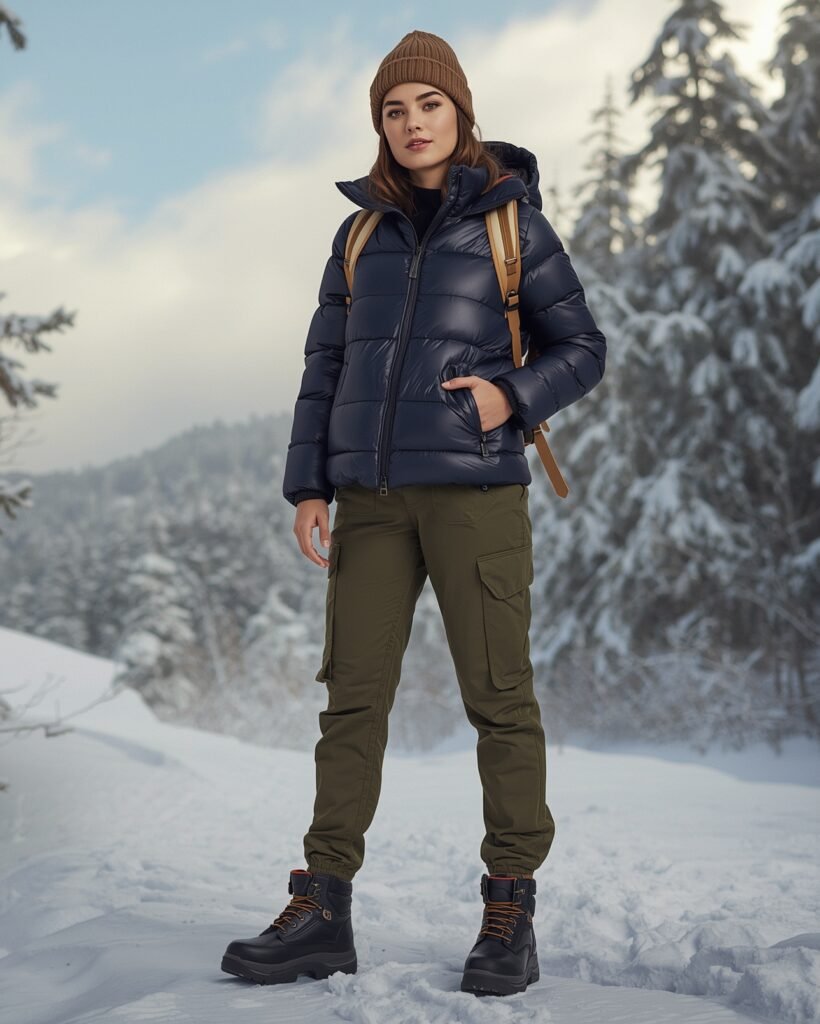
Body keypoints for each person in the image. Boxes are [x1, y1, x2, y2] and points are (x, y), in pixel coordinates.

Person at [222, 29, 606, 998]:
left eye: (426, 106)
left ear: (459, 113)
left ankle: (509, 907)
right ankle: (322, 909)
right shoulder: (357, 236)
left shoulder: (512, 222)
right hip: (369, 503)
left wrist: (507, 397)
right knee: (351, 699)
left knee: (498, 698)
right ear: (380, 128)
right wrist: (307, 484)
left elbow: (585, 346)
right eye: (394, 111)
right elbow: (322, 368)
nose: (411, 124)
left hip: (476, 494)